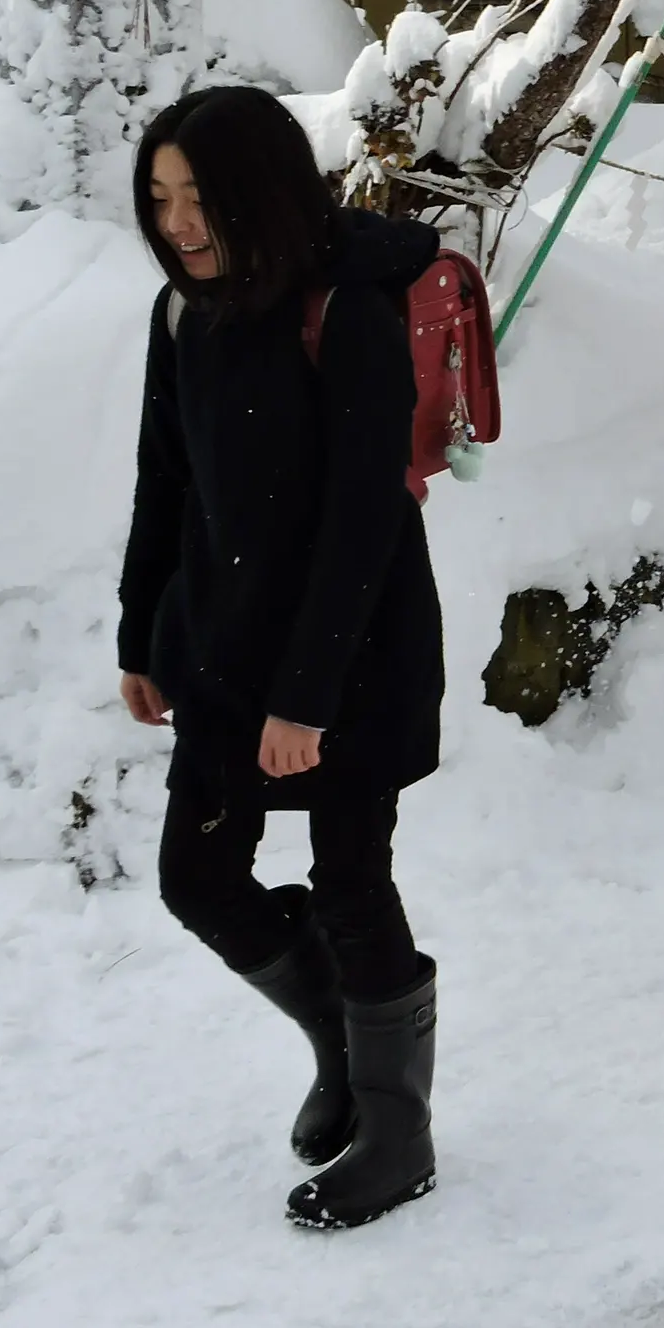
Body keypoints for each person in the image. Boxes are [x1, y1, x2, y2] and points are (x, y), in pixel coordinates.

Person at [117, 85, 448, 1232]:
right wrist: (136, 633)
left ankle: (396, 1134)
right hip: (217, 649)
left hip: (350, 649)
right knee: (196, 878)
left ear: (259, 191)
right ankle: (339, 1041)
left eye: (199, 200)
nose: (178, 225)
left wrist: (308, 695)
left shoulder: (342, 306)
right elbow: (167, 482)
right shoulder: (182, 313)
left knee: (354, 885)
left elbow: (365, 514)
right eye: (160, 201)